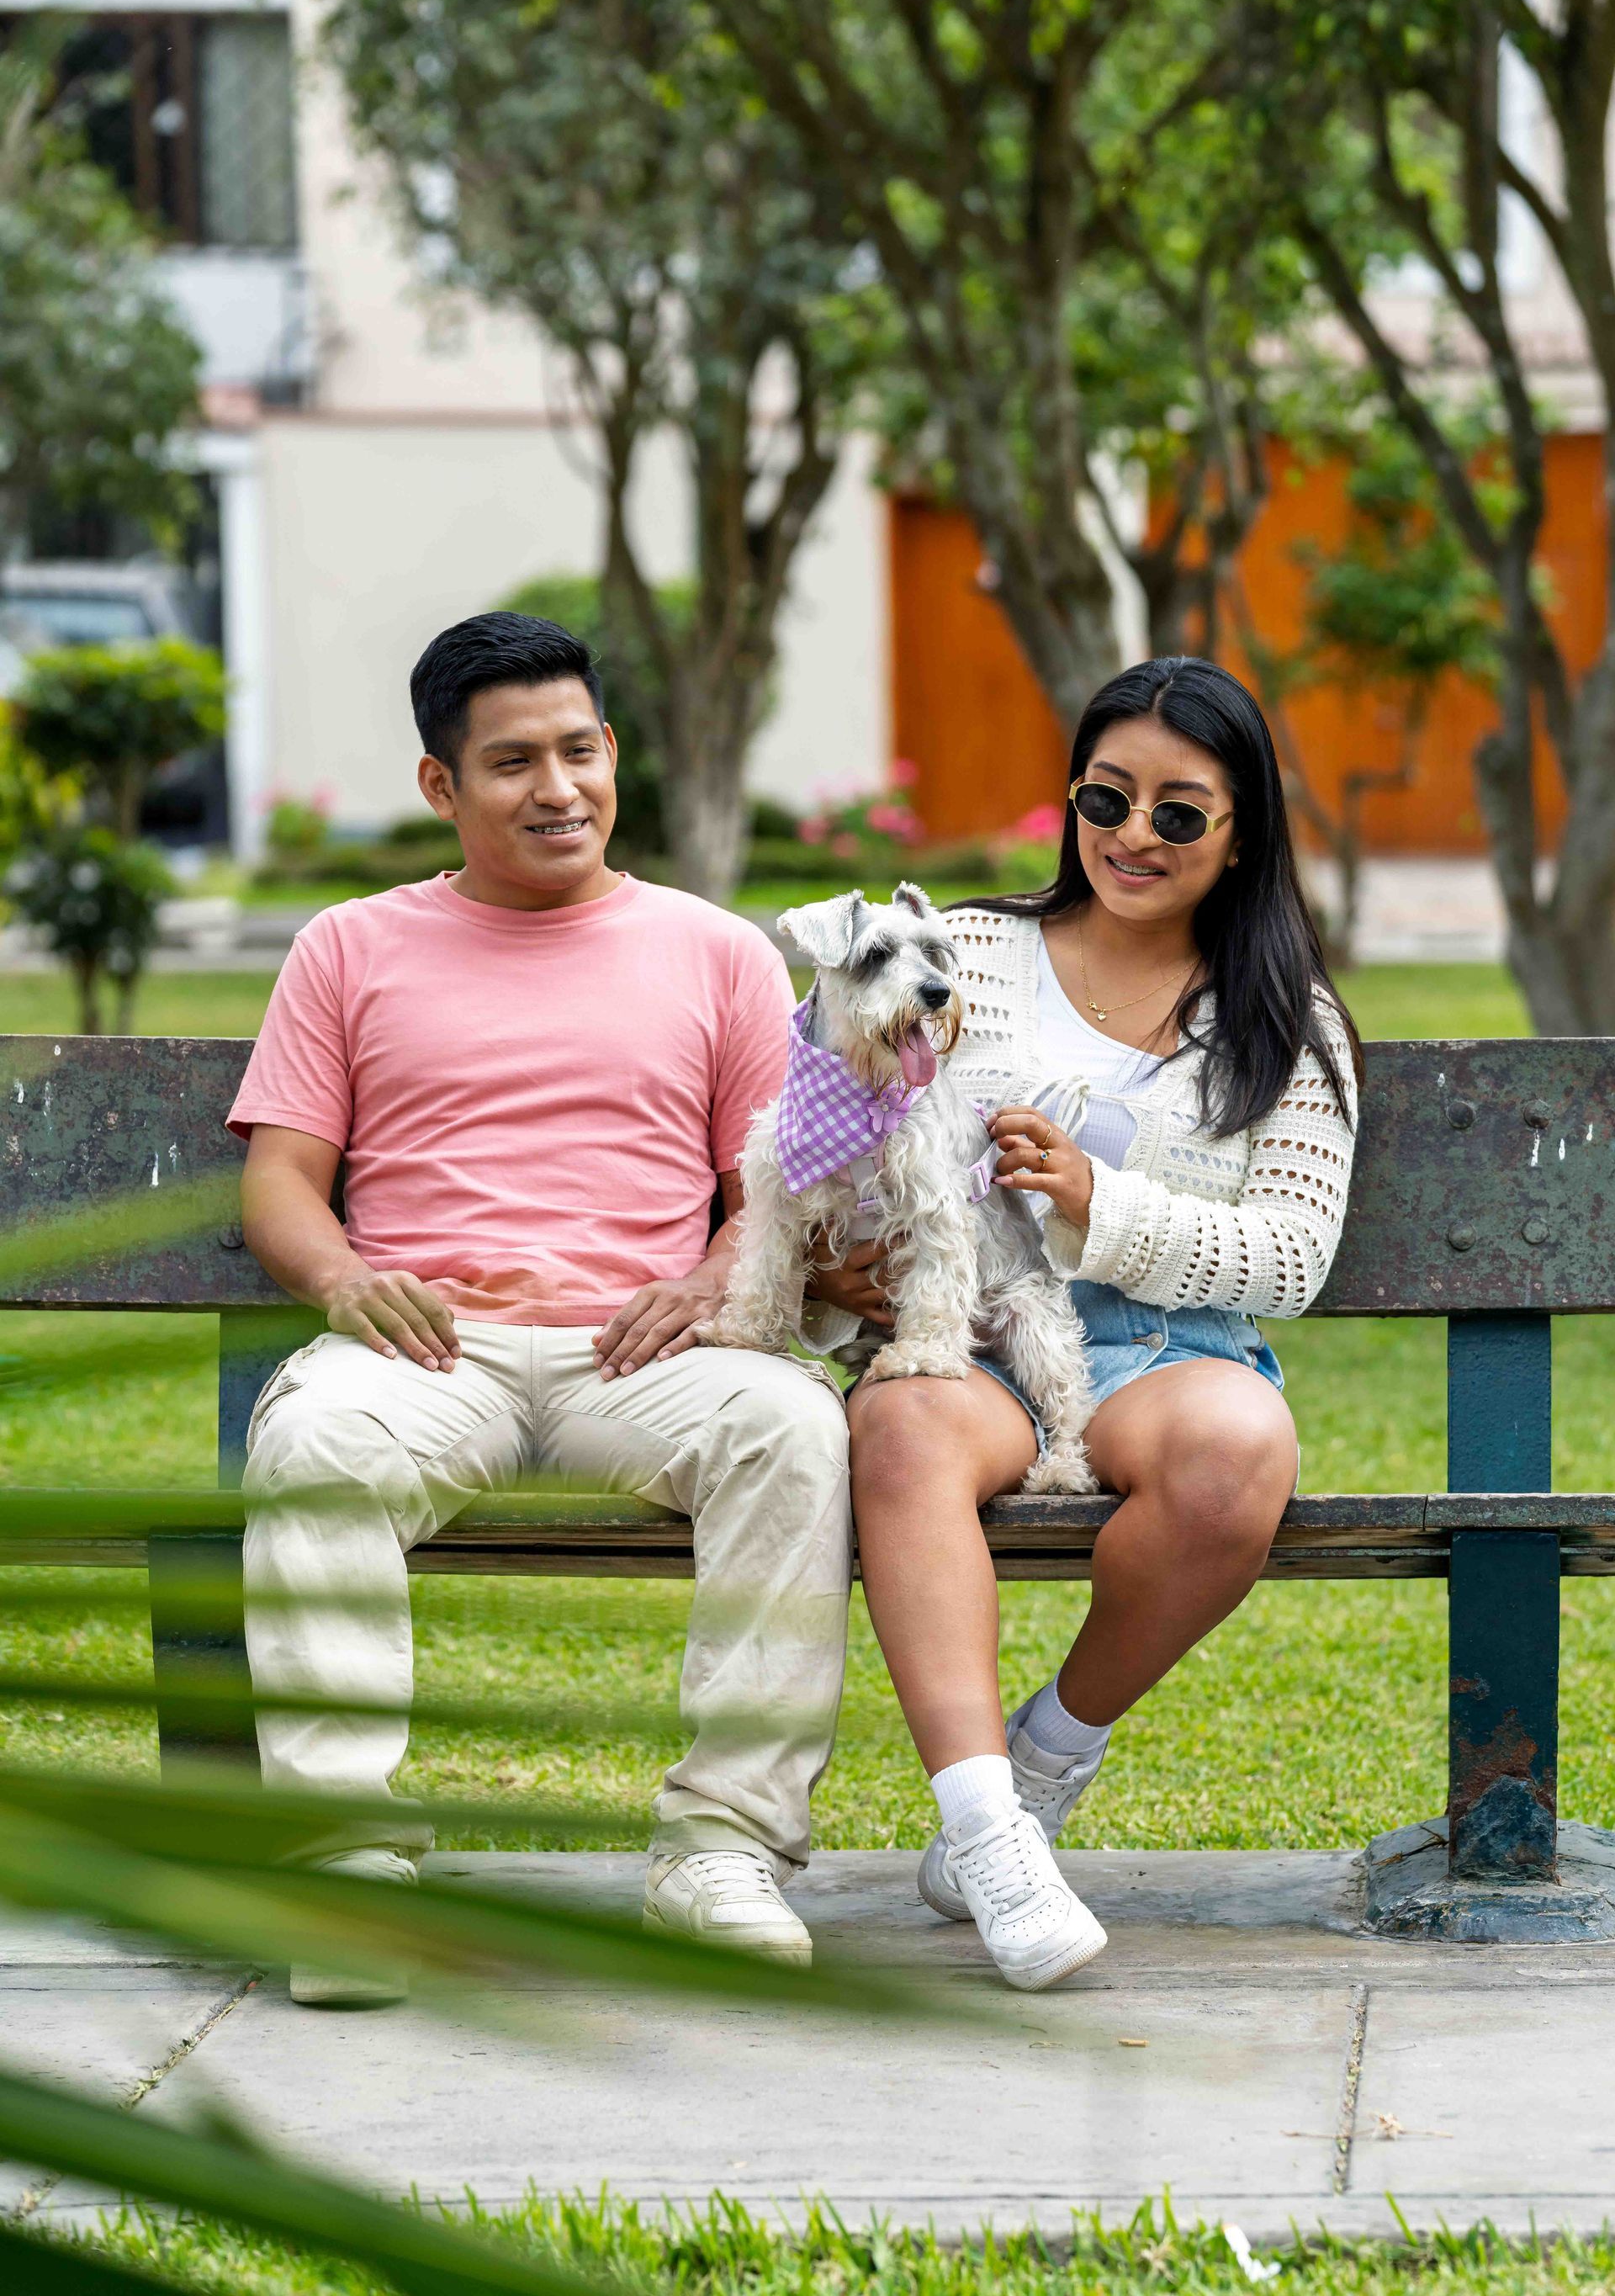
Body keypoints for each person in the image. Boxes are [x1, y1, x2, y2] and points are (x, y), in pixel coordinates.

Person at [230, 610, 851, 2002]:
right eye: (513, 763)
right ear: (442, 787)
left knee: (793, 1432)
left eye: (580, 751)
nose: (558, 788)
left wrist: (713, 1275)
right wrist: (342, 1277)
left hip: (640, 1345)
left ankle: (723, 1853)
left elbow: (774, 1184)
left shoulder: (719, 953)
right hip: (422, 1343)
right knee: (313, 1447)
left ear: (615, 753)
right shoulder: (348, 948)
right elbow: (281, 1182)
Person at [811, 655, 1362, 1992]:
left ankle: (1051, 1758)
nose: (1133, 835)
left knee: (1240, 1453)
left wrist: (1096, 1203)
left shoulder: (1286, 1022)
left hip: (1166, 1349)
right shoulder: (963, 951)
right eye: (1107, 798)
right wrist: (842, 1286)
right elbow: (821, 1117)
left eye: (1181, 813)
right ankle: (985, 1827)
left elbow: (1290, 1258)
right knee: (901, 1428)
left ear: (1240, 839)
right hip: (980, 1336)